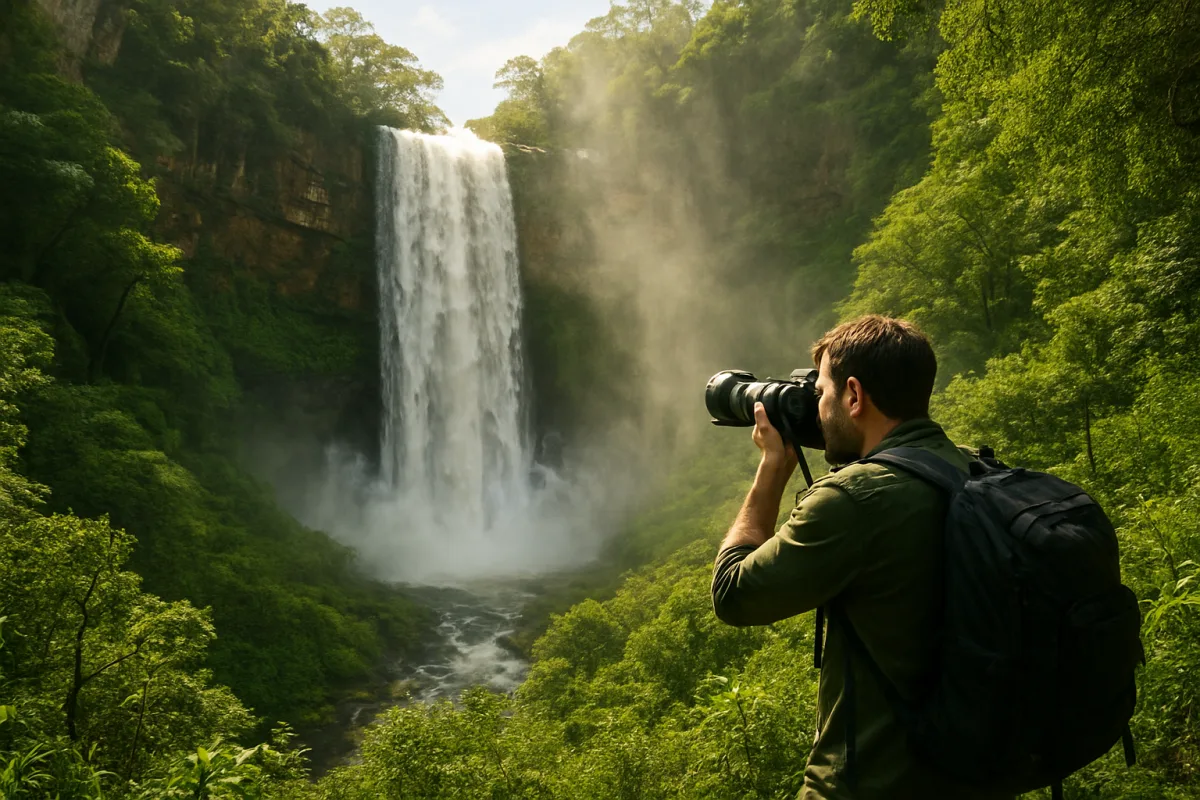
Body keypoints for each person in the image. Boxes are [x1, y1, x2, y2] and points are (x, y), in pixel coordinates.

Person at [710, 315, 1013, 800]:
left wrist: (772, 471)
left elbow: (733, 594)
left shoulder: (854, 499)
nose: (817, 407)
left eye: (822, 393)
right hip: (974, 774)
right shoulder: (975, 468)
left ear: (854, 395)